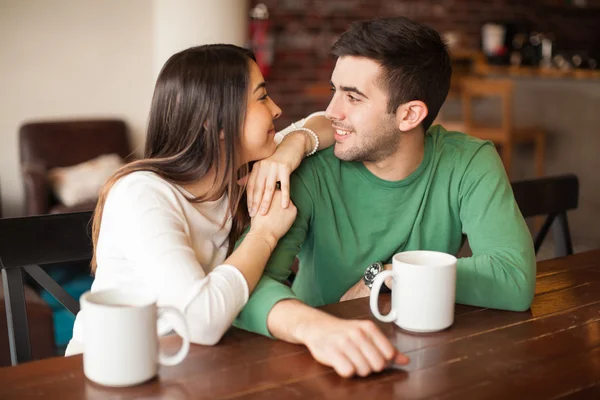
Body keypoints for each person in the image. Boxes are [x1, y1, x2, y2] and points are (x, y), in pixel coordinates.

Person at [234, 17, 536, 378]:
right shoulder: (309, 170)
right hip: (322, 361)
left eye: (353, 97)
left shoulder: (469, 161)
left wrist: (387, 276)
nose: (331, 111)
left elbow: (513, 278)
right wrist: (313, 327)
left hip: (428, 360)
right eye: (335, 90)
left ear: (409, 114)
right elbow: (242, 288)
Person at [65, 44, 335, 355]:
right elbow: (201, 321)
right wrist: (265, 234)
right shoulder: (141, 194)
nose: (276, 109)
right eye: (261, 97)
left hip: (189, 367)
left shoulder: (236, 175)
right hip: (110, 369)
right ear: (215, 123)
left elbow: (327, 122)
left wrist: (292, 147)